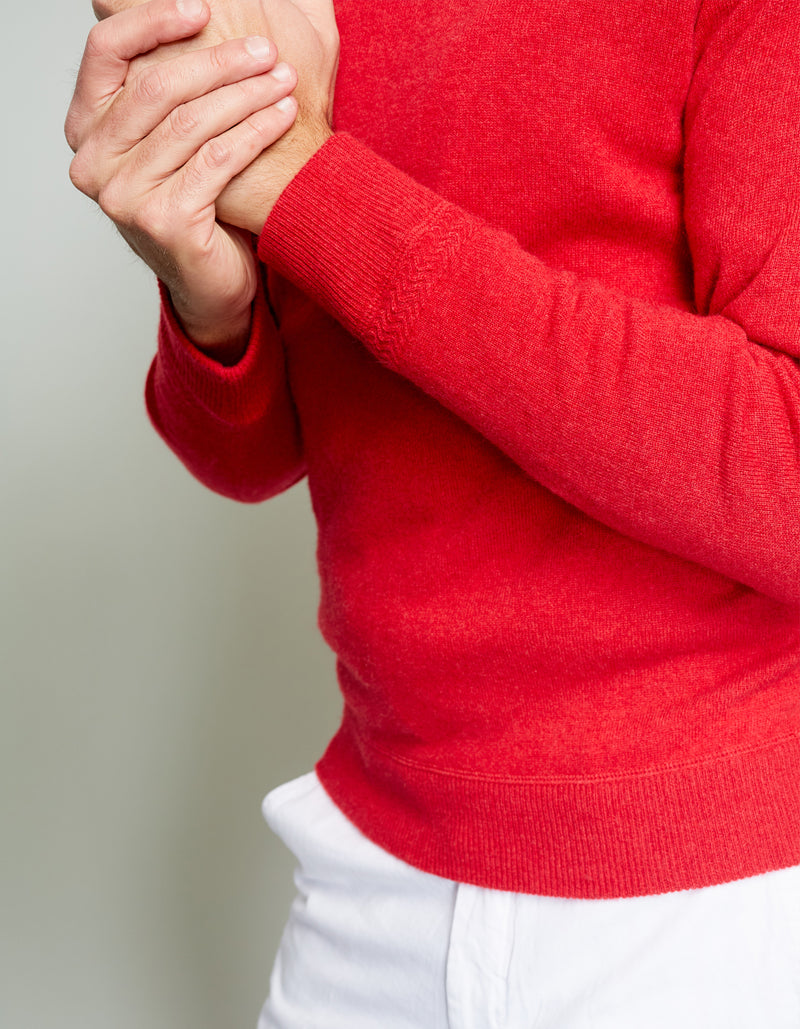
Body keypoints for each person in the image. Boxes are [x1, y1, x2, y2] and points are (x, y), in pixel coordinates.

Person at [65, 0, 800, 1025]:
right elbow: (253, 452)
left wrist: (306, 184)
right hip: (371, 865)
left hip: (700, 912)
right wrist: (209, 295)